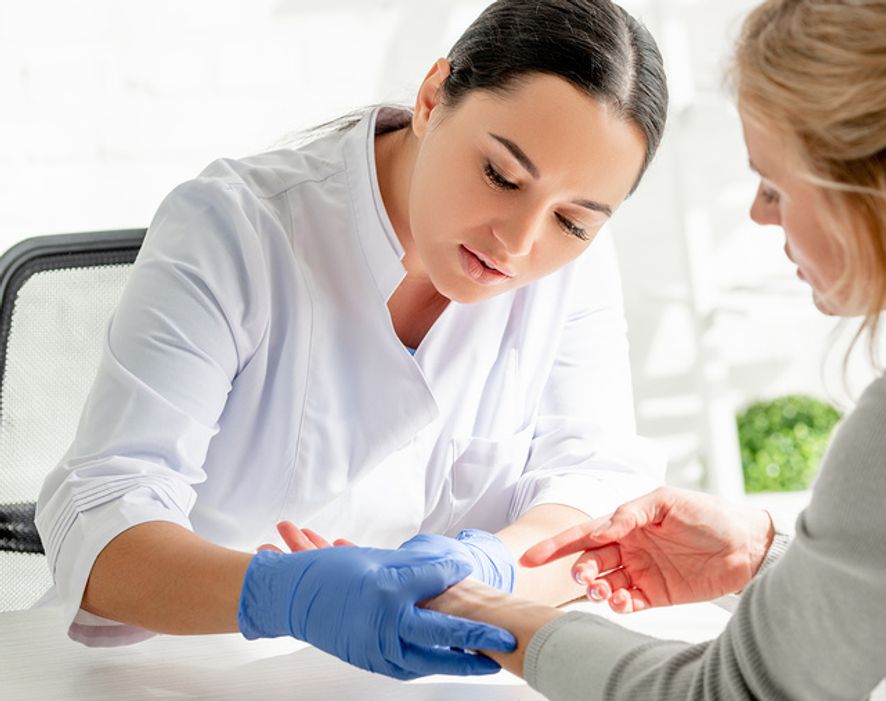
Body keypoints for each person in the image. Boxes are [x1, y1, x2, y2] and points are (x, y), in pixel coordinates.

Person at [322, 0, 886, 697]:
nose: (761, 216)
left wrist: (483, 613)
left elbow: (731, 694)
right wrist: (767, 555)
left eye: (772, 184)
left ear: (863, 190)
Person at [33, 0, 670, 680]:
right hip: (187, 673)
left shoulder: (573, 268)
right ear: (432, 98)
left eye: (572, 222)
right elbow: (102, 515)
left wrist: (488, 566)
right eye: (500, 176)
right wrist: (282, 595)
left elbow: (597, 487)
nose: (518, 242)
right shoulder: (233, 228)